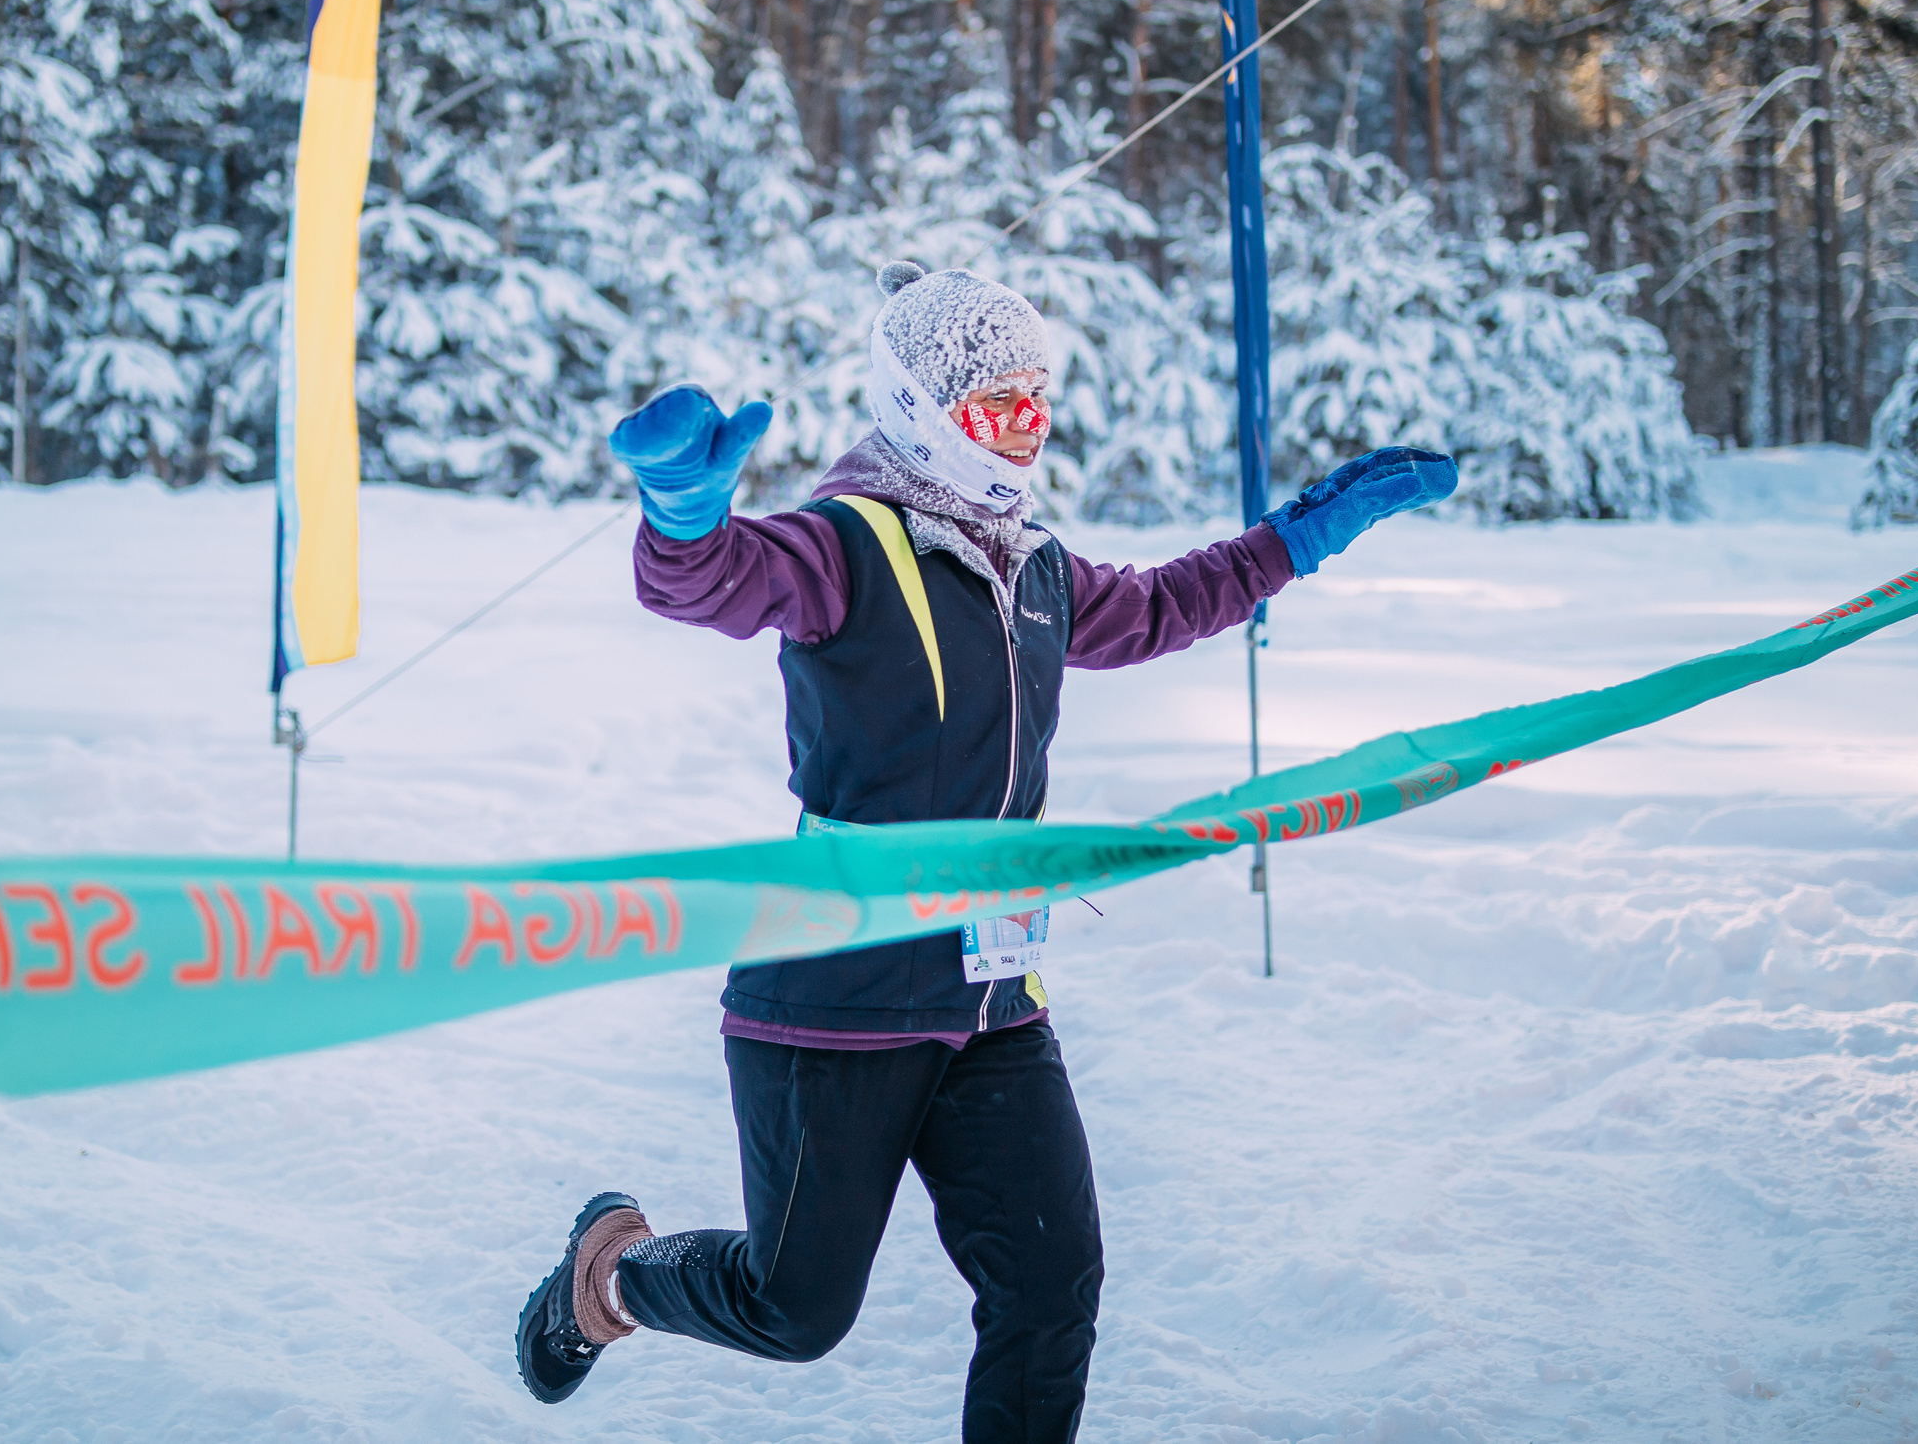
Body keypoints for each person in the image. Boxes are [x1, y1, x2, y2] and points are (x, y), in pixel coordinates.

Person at [515, 260, 1455, 1440]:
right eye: (993, 402)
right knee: (792, 1309)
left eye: (1035, 398)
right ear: (920, 409)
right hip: (839, 994)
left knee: (1051, 1292)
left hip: (992, 997)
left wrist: (1296, 538)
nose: (1026, 425)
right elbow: (718, 582)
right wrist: (683, 521)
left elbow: (1163, 605)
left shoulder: (1035, 566)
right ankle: (607, 1279)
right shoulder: (843, 547)